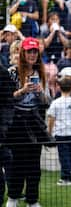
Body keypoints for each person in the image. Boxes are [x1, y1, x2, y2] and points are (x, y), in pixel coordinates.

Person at [6, 37, 48, 207]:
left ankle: (32, 199)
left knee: (34, 165)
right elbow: (6, 99)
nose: (32, 54)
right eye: (29, 51)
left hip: (34, 121)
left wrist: (40, 93)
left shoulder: (41, 73)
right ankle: (13, 197)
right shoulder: (12, 72)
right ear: (22, 53)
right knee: (17, 164)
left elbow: (48, 100)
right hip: (16, 122)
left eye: (34, 51)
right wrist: (22, 91)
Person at [47, 77, 71, 186]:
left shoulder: (56, 102)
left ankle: (66, 178)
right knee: (69, 155)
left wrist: (49, 132)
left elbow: (51, 119)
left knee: (63, 156)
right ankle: (68, 174)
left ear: (58, 87)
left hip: (61, 133)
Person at [0, 64, 15, 207]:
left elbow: (8, 103)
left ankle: (12, 195)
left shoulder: (3, 73)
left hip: (2, 133)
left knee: (8, 161)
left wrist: (3, 128)